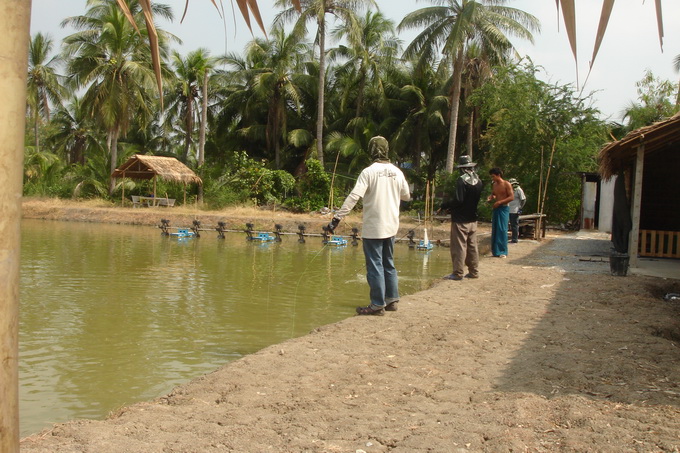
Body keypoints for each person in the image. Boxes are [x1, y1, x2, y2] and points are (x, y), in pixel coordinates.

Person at [326, 136, 411, 316]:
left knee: (374, 265)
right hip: (391, 226)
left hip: (374, 227)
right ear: (387, 150)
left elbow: (353, 197)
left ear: (371, 150)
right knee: (388, 263)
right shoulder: (397, 172)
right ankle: (392, 300)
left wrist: (336, 219)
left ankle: (377, 305)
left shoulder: (368, 172)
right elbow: (406, 196)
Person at [440, 155, 484, 281]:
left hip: (460, 221)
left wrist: (446, 205)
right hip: (473, 219)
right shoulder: (479, 181)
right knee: (472, 246)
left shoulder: (462, 180)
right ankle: (474, 271)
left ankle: (458, 273)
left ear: (462, 168)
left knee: (459, 246)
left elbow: (459, 200)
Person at [487, 168, 514, 258]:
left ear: (498, 175)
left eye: (493, 176)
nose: (492, 178)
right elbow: (494, 194)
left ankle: (503, 251)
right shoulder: (494, 185)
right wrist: (491, 197)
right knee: (495, 229)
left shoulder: (507, 184)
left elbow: (511, 197)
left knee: (502, 229)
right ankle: (495, 251)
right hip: (496, 209)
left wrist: (499, 202)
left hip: (504, 208)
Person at [507, 178, 526, 243]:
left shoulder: (519, 190)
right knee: (507, 225)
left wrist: (520, 207)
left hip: (515, 210)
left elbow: (523, 199)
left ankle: (515, 239)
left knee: (514, 225)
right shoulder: (509, 190)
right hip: (508, 209)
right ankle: (506, 238)